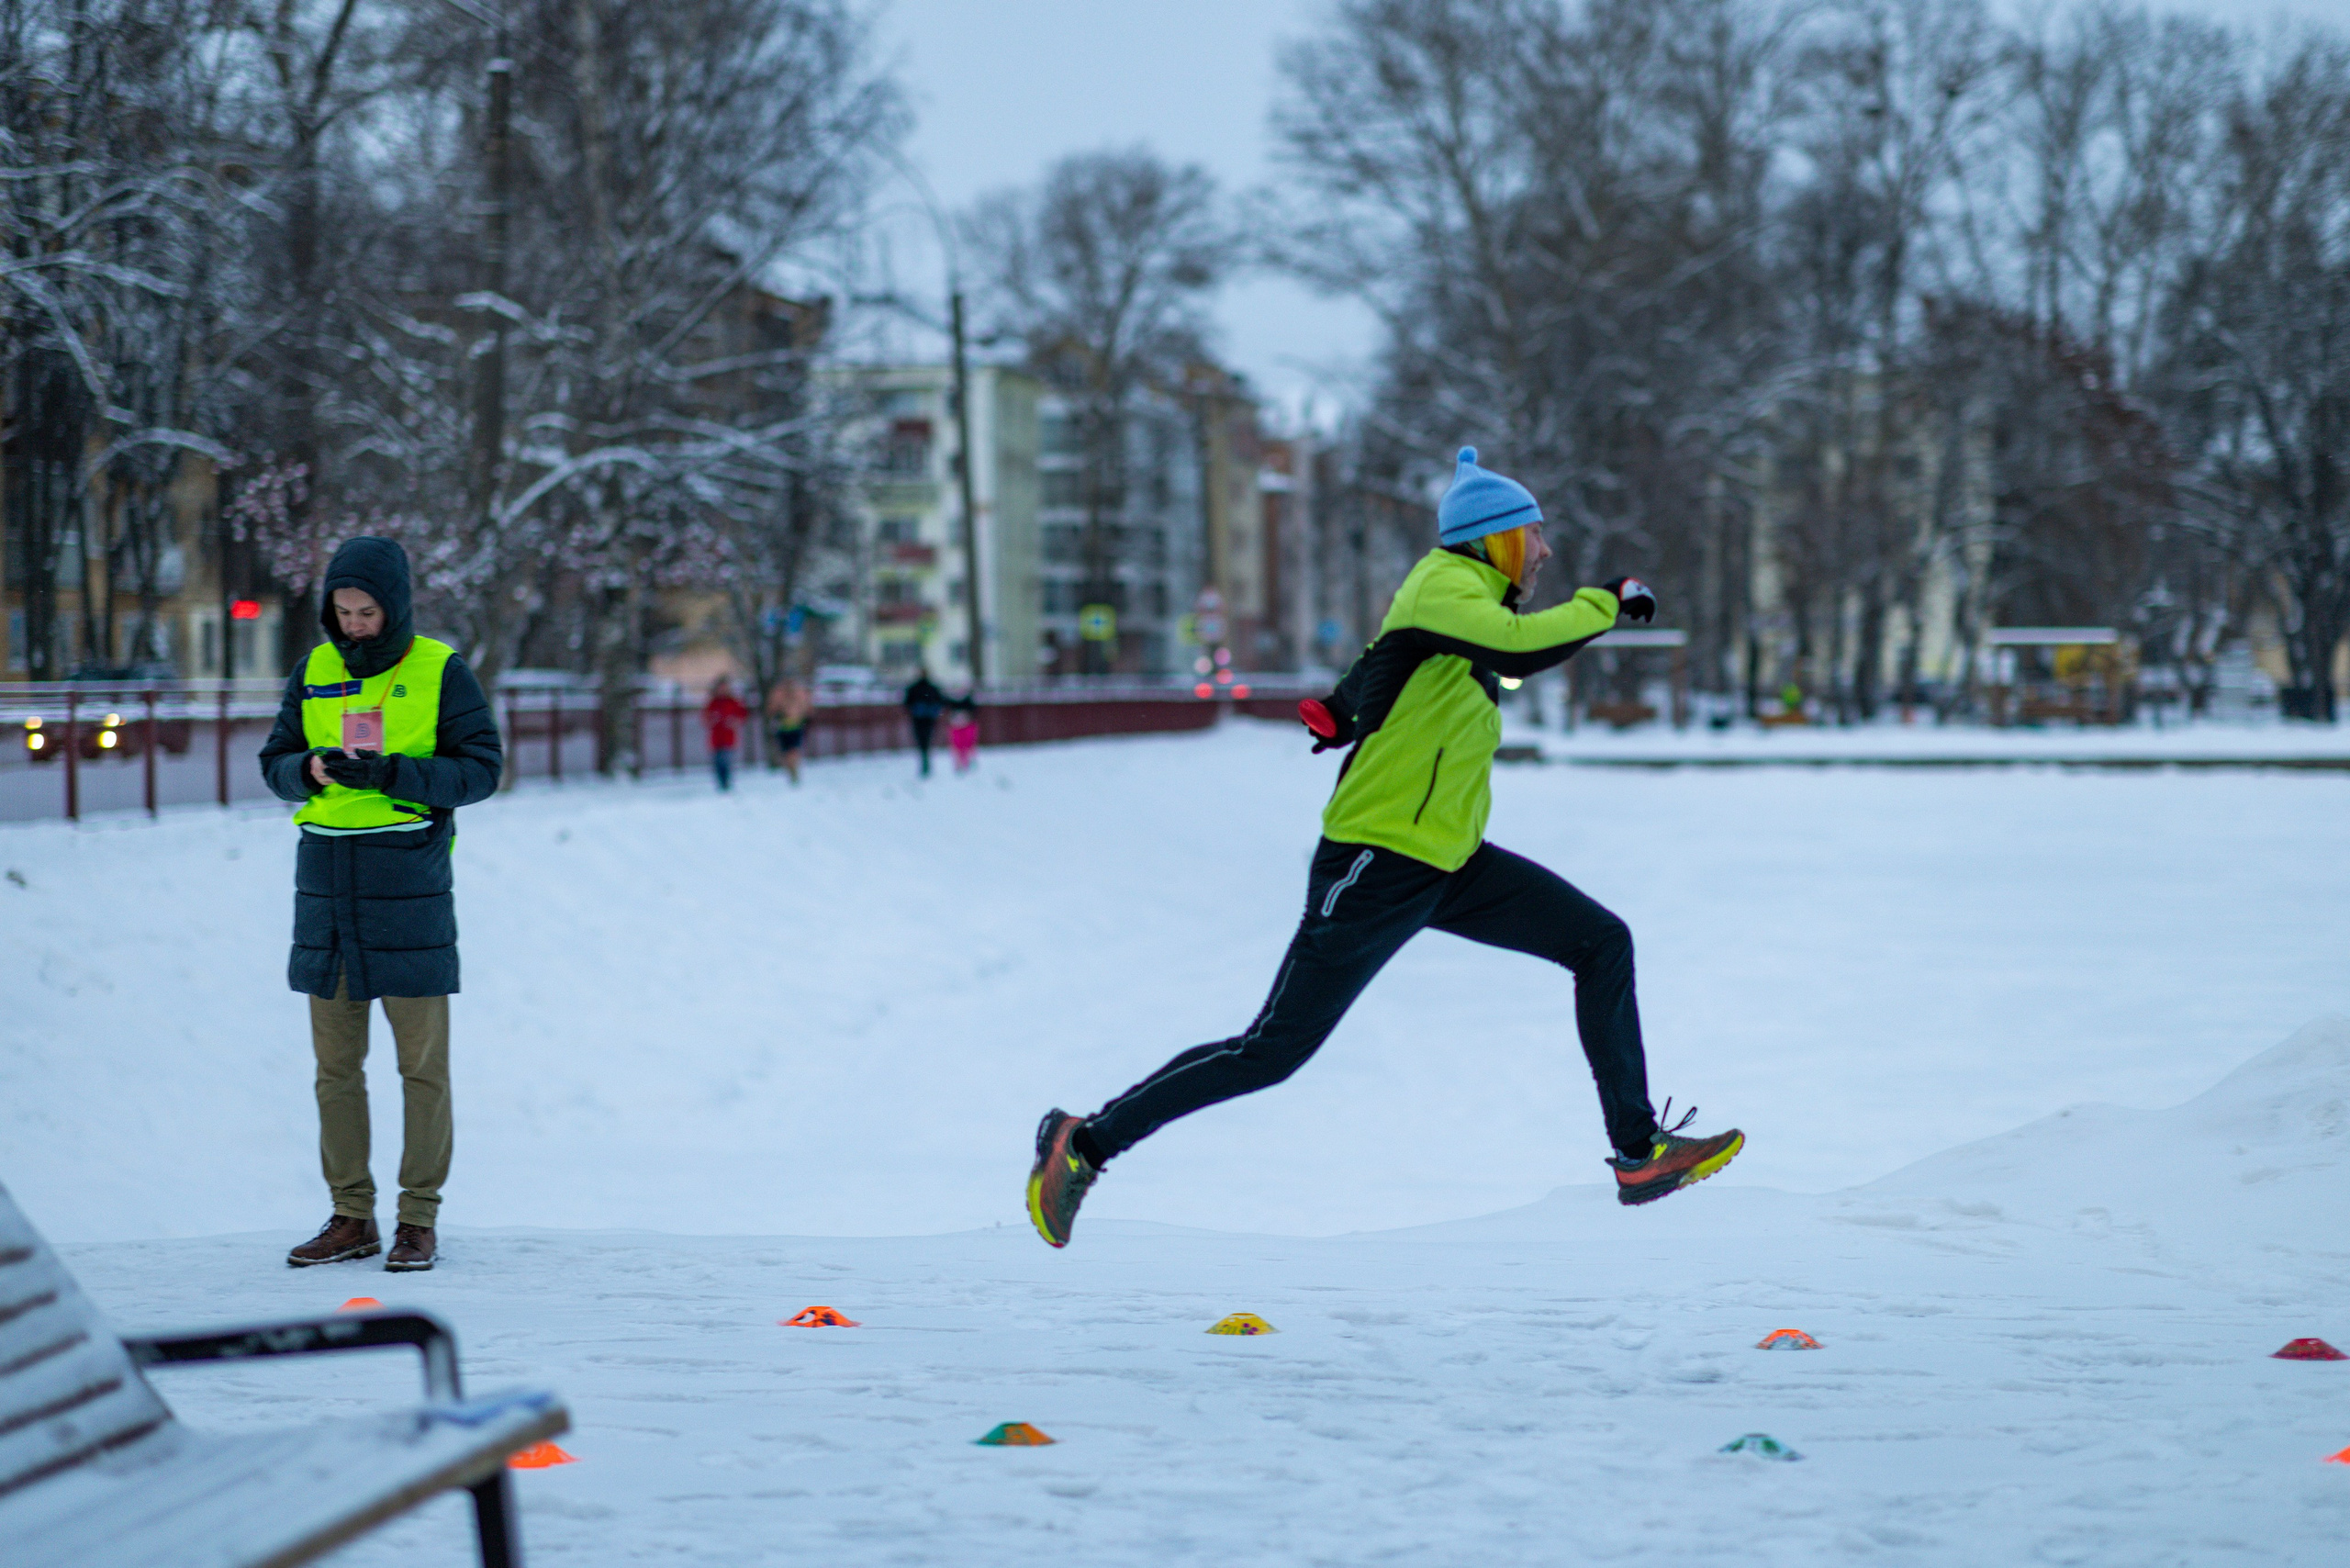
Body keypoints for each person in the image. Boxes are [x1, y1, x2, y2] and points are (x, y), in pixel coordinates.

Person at [1025, 446, 1743, 1248]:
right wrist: (1606, 600)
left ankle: (1638, 1153)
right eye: (1533, 535)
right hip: (1374, 860)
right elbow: (1514, 648)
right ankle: (1083, 1144)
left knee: (1601, 942)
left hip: (1449, 862)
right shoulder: (1447, 583)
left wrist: (1341, 711)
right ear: (1494, 537)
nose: (1543, 550)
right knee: (1272, 1051)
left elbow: (1394, 659)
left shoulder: (1455, 608)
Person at [259, 537, 503, 1272]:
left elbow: (483, 770)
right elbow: (274, 763)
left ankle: (418, 1220)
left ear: (394, 607)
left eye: (367, 612)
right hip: (327, 891)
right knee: (335, 1069)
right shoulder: (314, 669)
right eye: (342, 612)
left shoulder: (440, 669)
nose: (354, 625)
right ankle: (351, 1216)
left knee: (422, 1068)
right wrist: (307, 768)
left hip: (411, 890)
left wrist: (394, 772)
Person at [703, 676, 749, 790]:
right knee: (718, 761)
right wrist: (713, 720)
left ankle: (727, 783)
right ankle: (721, 784)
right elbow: (705, 718)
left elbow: (742, 716)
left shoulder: (733, 702)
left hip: (729, 738)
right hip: (716, 738)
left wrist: (734, 722)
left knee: (726, 760)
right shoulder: (712, 703)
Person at [767, 674, 812, 785]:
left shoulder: (799, 692)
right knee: (786, 753)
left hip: (795, 726)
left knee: (793, 751)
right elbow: (771, 709)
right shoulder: (778, 693)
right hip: (783, 727)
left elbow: (806, 708)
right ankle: (792, 771)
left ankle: (794, 772)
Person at [902, 668, 946, 778]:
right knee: (925, 739)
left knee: (922, 739)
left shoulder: (916, 688)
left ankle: (925, 758)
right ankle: (925, 758)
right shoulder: (930, 688)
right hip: (925, 719)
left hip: (922, 719)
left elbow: (907, 703)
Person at [946, 689, 979, 774]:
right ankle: (959, 764)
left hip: (967, 726)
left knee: (968, 745)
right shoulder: (951, 702)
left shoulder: (968, 701)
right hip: (956, 727)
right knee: (958, 746)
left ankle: (967, 762)